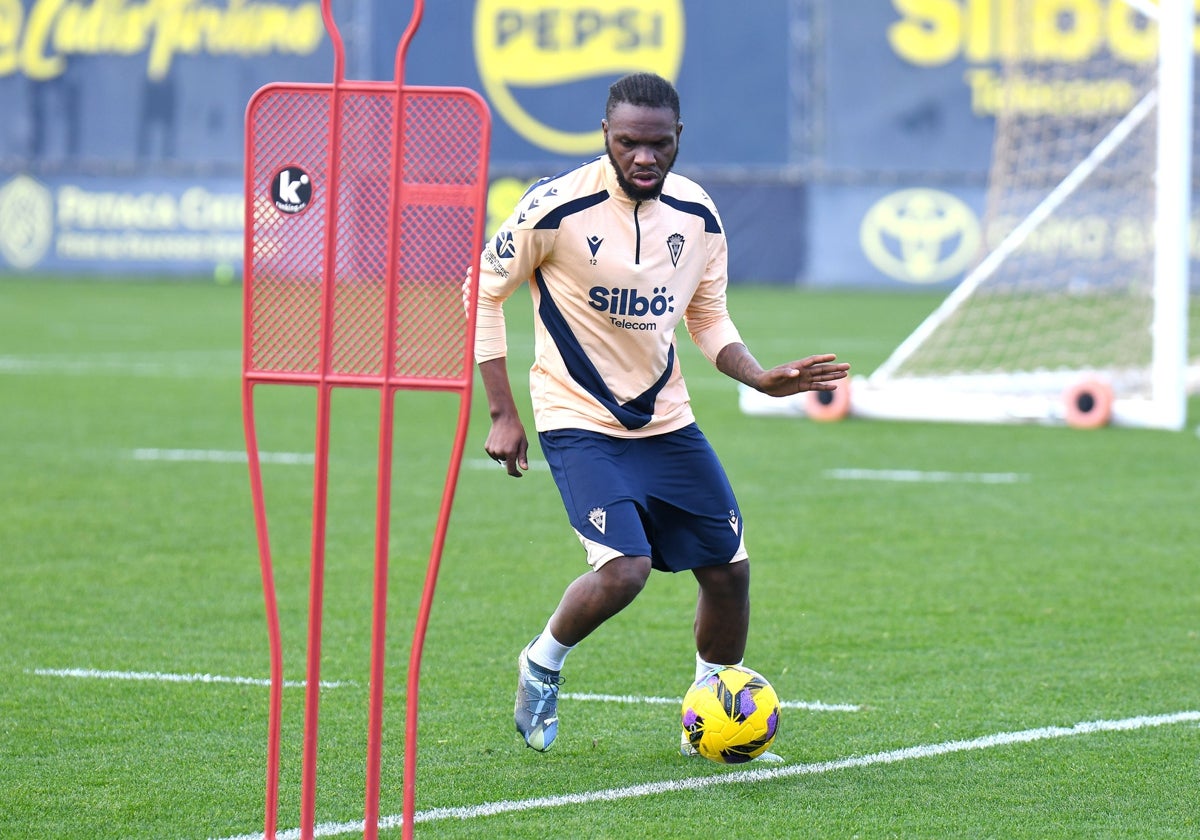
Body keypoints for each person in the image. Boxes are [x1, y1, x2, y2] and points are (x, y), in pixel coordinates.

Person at [467, 72, 848, 756]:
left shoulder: (698, 215)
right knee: (625, 569)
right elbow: (481, 291)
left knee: (730, 571)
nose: (645, 157)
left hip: (666, 421)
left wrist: (758, 376)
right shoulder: (554, 208)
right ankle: (542, 663)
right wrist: (502, 411)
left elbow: (706, 315)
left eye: (659, 144)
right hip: (577, 419)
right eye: (629, 143)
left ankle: (710, 709)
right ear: (606, 137)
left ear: (679, 140)